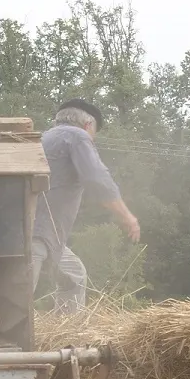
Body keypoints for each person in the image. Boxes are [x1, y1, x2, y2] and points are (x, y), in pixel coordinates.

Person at [31, 98, 141, 312]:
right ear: (88, 125)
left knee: (73, 274)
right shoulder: (77, 136)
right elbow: (97, 180)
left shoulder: (43, 138)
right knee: (20, 293)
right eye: (95, 133)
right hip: (36, 233)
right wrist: (127, 217)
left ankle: (65, 336)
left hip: (47, 234)